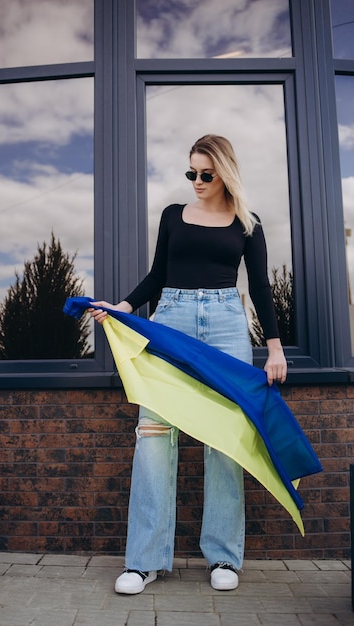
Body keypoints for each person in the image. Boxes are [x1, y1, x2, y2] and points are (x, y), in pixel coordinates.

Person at [90, 134, 287, 594]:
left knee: (225, 439)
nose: (196, 181)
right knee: (155, 433)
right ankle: (143, 561)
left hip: (226, 322)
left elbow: (260, 287)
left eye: (205, 174)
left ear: (225, 174)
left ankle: (223, 558)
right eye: (190, 173)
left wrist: (274, 346)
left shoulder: (248, 223)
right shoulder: (172, 216)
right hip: (173, 316)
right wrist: (122, 306)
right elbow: (158, 275)